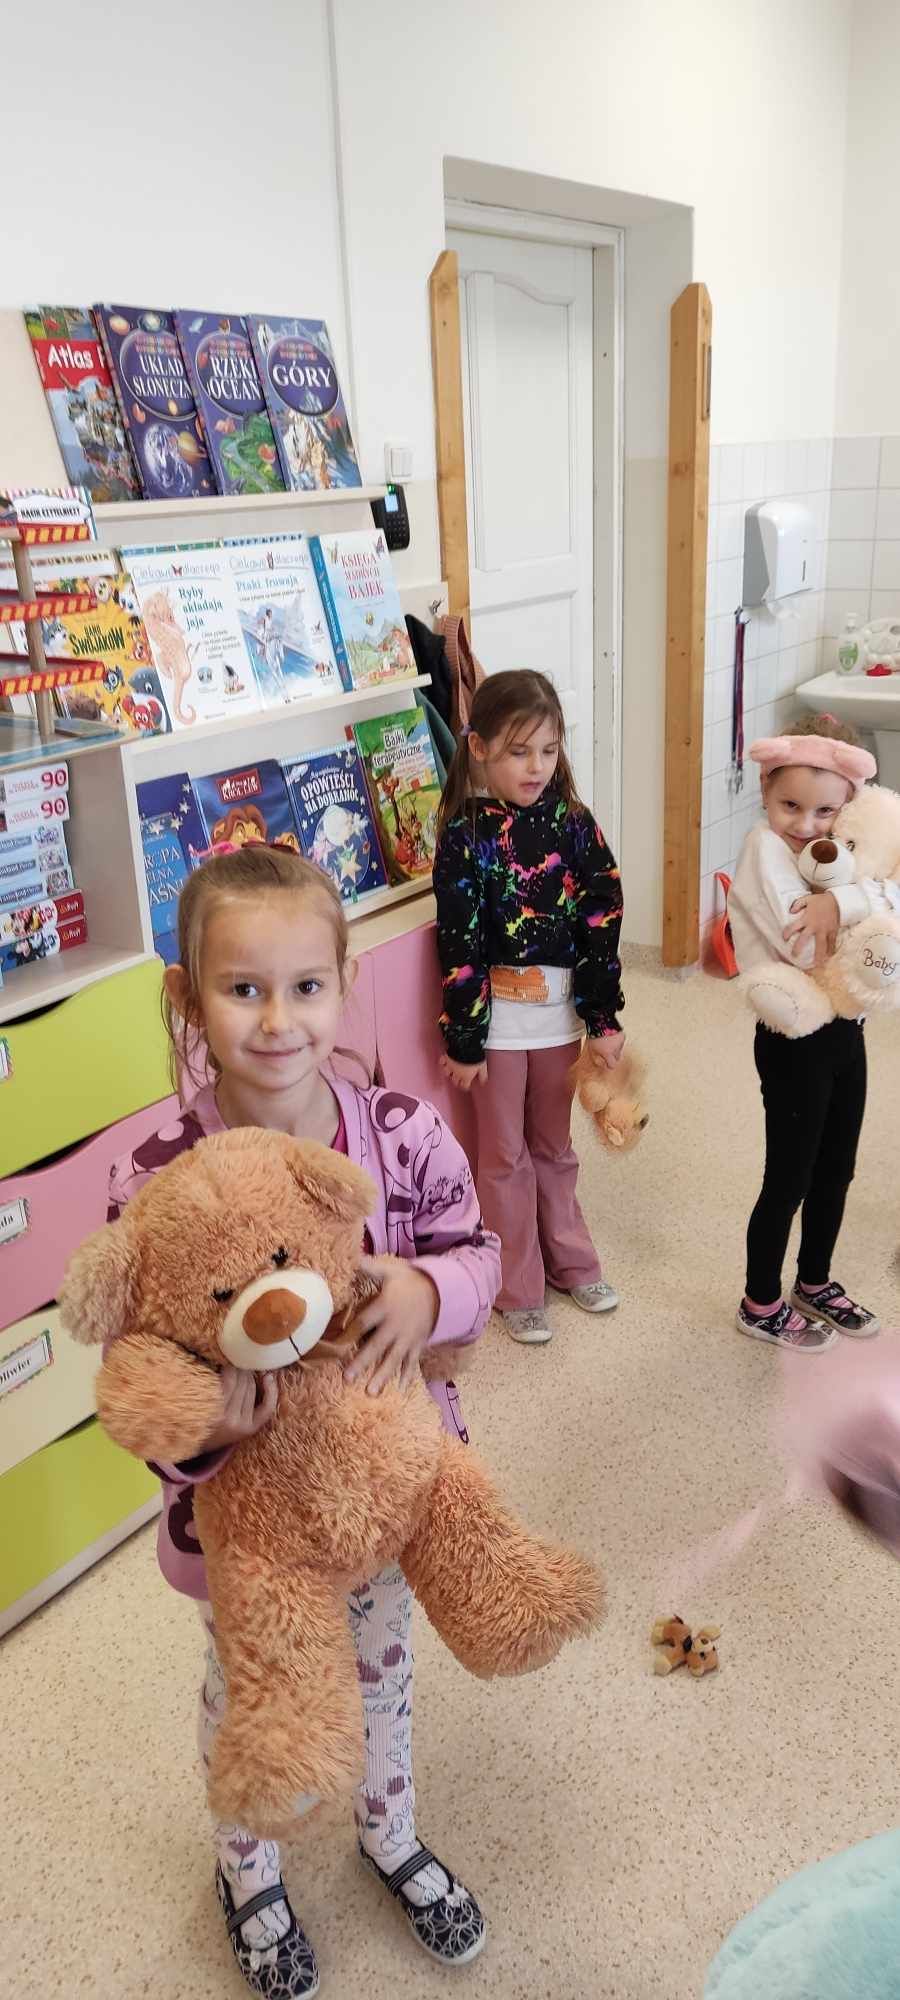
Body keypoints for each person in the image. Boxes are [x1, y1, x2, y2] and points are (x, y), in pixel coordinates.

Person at [105, 843, 501, 1997]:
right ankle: (249, 1869)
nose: (278, 1020)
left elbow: (478, 1250)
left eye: (306, 986)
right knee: (255, 1691)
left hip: (382, 1497)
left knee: (385, 1676)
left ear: (345, 983)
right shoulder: (156, 1175)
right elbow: (141, 1363)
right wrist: (210, 1421)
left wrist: (429, 1290)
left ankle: (390, 1832)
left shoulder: (403, 1130)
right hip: (248, 1533)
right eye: (243, 988)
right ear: (189, 997)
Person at [432, 669, 624, 1346]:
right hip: (496, 1031)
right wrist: (465, 1040)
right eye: (519, 752)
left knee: (555, 1147)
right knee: (503, 1156)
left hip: (559, 1023)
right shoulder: (465, 833)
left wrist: (603, 1019)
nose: (536, 767)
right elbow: (458, 939)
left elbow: (602, 917)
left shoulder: (574, 824)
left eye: (548, 749)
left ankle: (572, 1261)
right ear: (479, 747)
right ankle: (517, 1285)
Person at [728, 713, 900, 1352]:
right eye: (790, 806)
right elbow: (805, 947)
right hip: (794, 1037)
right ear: (766, 793)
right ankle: (760, 1301)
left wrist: (843, 902)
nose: (806, 825)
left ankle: (815, 1282)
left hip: (846, 1029)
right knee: (790, 1175)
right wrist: (860, 905)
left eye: (826, 811)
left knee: (838, 1167)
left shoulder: (843, 857)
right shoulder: (764, 850)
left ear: (848, 809)